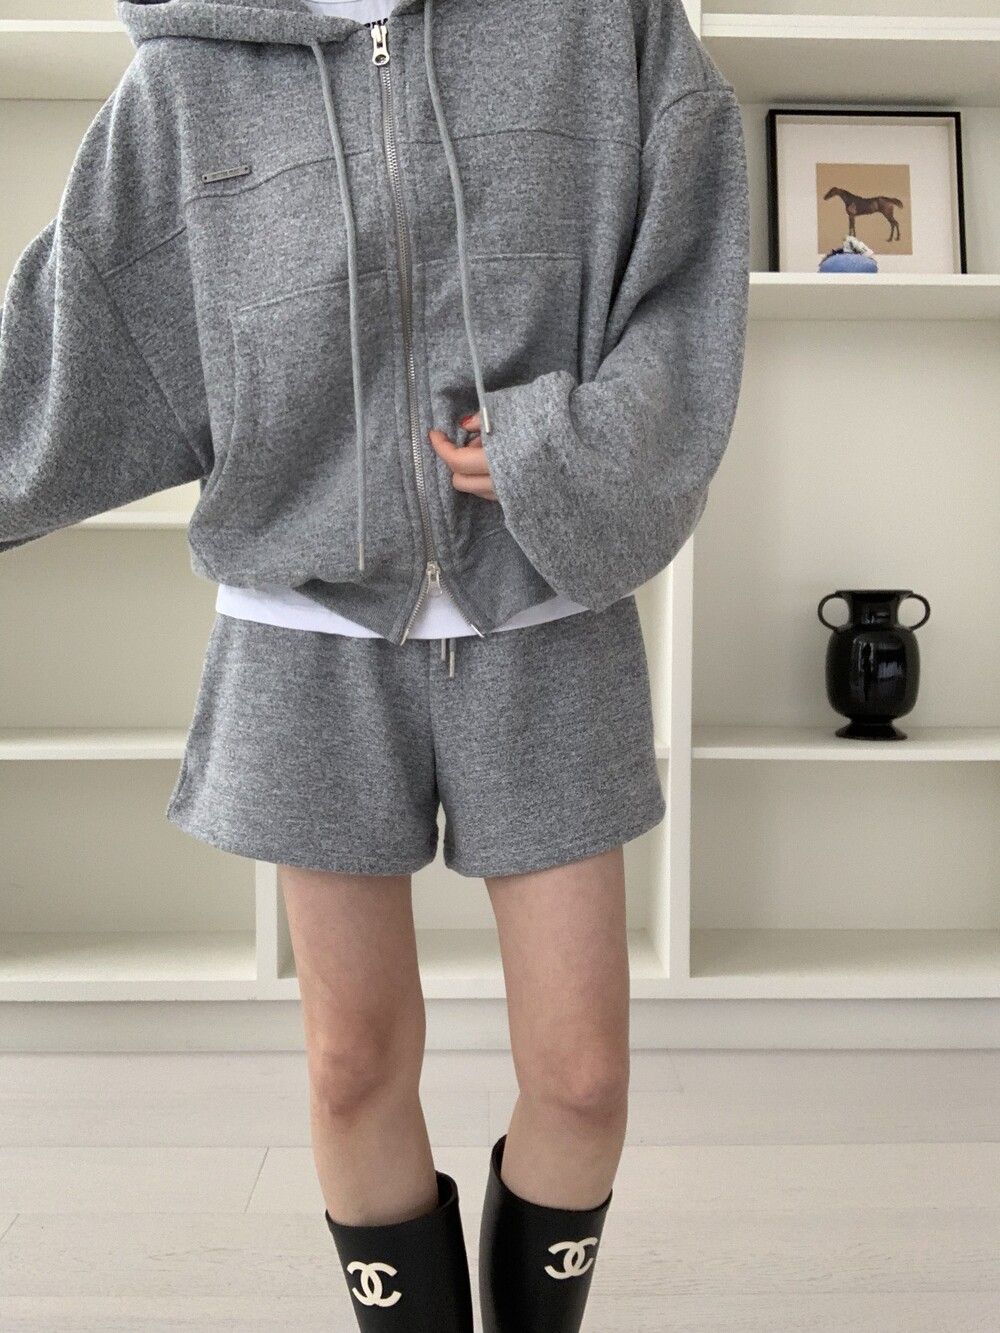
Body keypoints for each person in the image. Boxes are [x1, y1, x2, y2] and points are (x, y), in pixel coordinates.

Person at [0, 0, 750, 1327]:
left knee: (582, 1078)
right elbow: (79, 335)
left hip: (543, 610)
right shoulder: (189, 71)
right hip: (306, 630)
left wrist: (554, 446)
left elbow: (689, 281)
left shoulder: (601, 22)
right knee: (352, 1063)